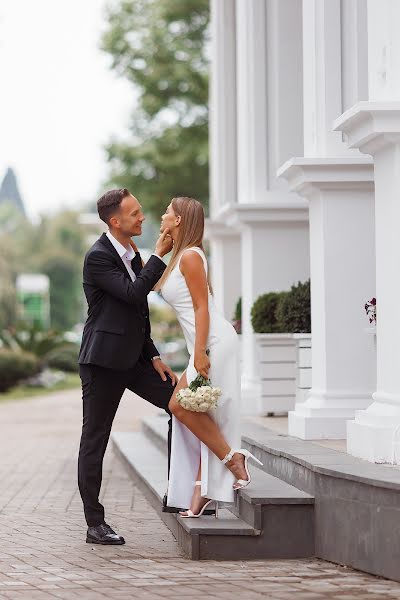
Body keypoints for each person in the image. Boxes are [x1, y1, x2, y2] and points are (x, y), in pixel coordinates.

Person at [78, 188, 178, 545]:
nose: (143, 217)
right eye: (135, 213)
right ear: (115, 221)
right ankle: (95, 524)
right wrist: (160, 255)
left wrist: (153, 355)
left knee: (179, 406)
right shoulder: (98, 257)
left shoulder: (134, 252)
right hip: (102, 361)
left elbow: (139, 313)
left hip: (135, 358)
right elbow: (134, 293)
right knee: (95, 439)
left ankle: (178, 491)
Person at [156, 196, 262, 518]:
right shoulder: (180, 256)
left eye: (168, 213)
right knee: (204, 415)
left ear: (179, 220)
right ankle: (203, 490)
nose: (162, 216)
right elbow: (151, 287)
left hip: (213, 341)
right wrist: (158, 253)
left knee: (179, 405)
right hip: (205, 342)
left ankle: (233, 459)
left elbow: (203, 307)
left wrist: (200, 351)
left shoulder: (190, 256)